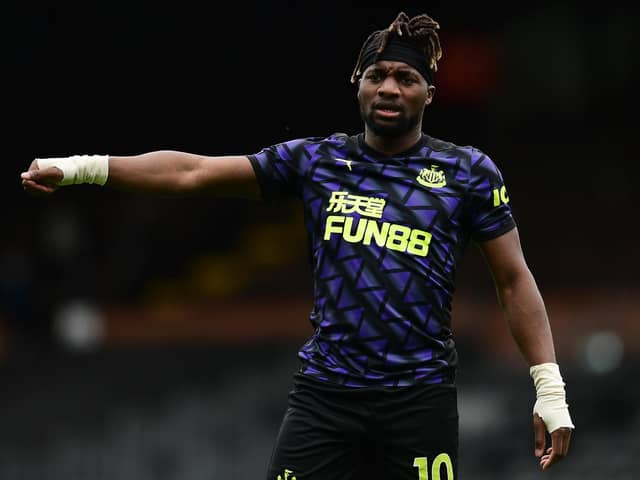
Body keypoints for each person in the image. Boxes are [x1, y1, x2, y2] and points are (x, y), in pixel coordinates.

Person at [21, 11, 574, 479]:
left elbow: (513, 279)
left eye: (405, 77)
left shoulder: (468, 172)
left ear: (429, 92)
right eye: (376, 74)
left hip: (419, 400)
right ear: (357, 82)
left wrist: (548, 388)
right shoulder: (317, 160)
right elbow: (192, 171)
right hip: (325, 397)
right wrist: (81, 168)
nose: (388, 87)